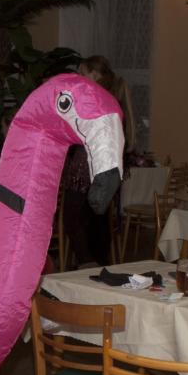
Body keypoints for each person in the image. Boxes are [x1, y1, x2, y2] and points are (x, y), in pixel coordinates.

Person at [58, 55, 131, 264]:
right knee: (94, 219)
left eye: (82, 73)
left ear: (95, 74)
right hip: (103, 165)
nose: (79, 77)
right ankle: (96, 262)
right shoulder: (111, 98)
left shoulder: (93, 97)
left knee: (73, 218)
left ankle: (86, 262)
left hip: (85, 165)